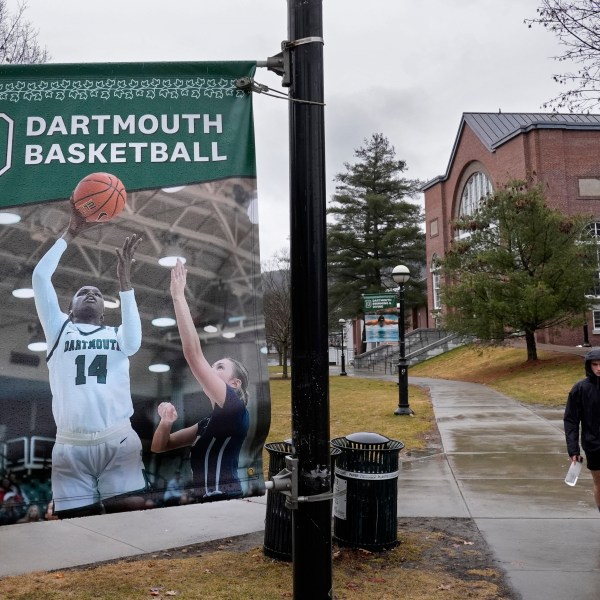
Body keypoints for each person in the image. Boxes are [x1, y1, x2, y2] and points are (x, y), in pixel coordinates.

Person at [31, 205, 147, 518]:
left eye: (96, 292)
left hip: (118, 438)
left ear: (105, 311)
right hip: (70, 444)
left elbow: (135, 343)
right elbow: (41, 277)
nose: (91, 293)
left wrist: (125, 284)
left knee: (131, 520)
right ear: (69, 308)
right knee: (75, 531)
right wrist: (69, 233)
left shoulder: (117, 334)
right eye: (83, 292)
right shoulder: (58, 328)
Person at [151, 259, 249, 501]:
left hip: (225, 500)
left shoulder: (234, 408)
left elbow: (193, 355)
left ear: (234, 384)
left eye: (219, 367)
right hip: (204, 503)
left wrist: (178, 296)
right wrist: (165, 422)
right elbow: (159, 446)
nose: (211, 369)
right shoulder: (207, 423)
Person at [564, 348, 600, 512]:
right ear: (589, 366)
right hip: (593, 444)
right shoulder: (581, 389)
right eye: (595, 364)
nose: (599, 368)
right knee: (599, 482)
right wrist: (573, 450)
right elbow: (571, 420)